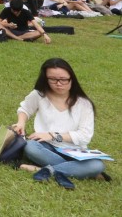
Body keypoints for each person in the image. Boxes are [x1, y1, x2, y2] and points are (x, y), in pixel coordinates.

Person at [12, 58, 105, 187]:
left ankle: (42, 169)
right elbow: (25, 109)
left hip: (73, 151)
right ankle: (77, 170)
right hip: (45, 146)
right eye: (53, 79)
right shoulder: (39, 95)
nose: (59, 84)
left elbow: (85, 136)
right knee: (30, 147)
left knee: (97, 165)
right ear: (46, 79)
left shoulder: (84, 104)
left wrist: (53, 135)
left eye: (63, 79)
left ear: (71, 78)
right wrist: (21, 123)